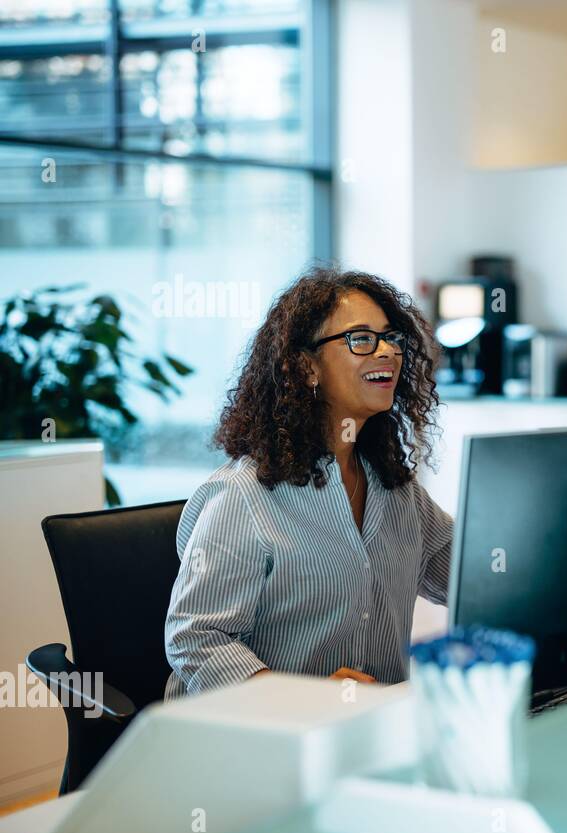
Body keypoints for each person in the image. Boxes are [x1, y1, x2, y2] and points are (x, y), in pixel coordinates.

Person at [163, 267, 453, 698]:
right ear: (305, 367)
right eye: (361, 339)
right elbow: (196, 638)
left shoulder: (397, 491)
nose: (387, 353)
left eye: (392, 338)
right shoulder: (244, 496)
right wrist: (302, 698)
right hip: (260, 739)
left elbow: (472, 577)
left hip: (369, 729)